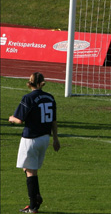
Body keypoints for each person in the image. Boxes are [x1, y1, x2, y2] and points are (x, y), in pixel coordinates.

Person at [9, 72, 60, 213]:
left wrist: (11, 118)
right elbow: (54, 121)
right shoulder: (50, 97)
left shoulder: (28, 98)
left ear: (29, 83)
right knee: (30, 169)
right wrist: (55, 138)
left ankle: (33, 205)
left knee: (29, 171)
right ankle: (36, 197)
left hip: (31, 139)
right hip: (45, 138)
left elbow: (19, 119)